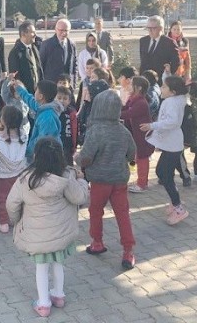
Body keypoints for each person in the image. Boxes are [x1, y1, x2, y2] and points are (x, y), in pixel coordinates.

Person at [6, 137, 89, 317]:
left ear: (36, 156)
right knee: (58, 263)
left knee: (41, 268)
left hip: (37, 237)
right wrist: (82, 180)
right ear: (60, 156)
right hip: (61, 235)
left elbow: (11, 204)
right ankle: (58, 296)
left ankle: (43, 304)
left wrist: (17, 221)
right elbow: (80, 198)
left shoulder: (25, 179)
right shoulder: (66, 176)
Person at [75, 90, 137, 270]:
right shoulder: (123, 131)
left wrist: (78, 159)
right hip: (119, 180)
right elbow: (132, 154)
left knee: (96, 211)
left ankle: (97, 242)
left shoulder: (95, 131)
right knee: (123, 213)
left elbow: (86, 157)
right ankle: (128, 251)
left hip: (99, 181)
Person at [139, 76, 190, 225]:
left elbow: (172, 122)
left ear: (173, 91)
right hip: (171, 144)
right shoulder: (177, 99)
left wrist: (152, 126)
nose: (161, 88)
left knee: (165, 175)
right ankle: (175, 202)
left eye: (164, 87)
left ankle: (178, 208)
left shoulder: (171, 102)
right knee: (162, 173)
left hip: (172, 144)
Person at [0, 105, 27, 233]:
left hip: (4, 176)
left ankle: (3, 222)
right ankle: (17, 219)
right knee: (18, 197)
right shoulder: (23, 136)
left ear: (3, 121)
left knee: (3, 198)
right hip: (19, 173)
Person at [13, 79, 62, 163]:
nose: (34, 93)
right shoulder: (43, 106)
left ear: (40, 96)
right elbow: (30, 100)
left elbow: (44, 141)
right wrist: (19, 88)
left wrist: (30, 152)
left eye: (36, 91)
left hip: (45, 158)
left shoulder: (48, 117)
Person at [121, 76, 155, 193]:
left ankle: (142, 184)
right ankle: (139, 180)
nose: (128, 85)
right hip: (136, 135)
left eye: (131, 84)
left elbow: (128, 113)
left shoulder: (141, 102)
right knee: (138, 157)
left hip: (142, 136)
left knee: (142, 158)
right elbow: (124, 108)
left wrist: (113, 113)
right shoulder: (133, 99)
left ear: (138, 87)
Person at [139, 15, 179, 83]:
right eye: (148, 28)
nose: (150, 31)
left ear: (160, 28)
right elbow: (143, 60)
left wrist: (169, 71)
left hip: (160, 81)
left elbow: (176, 62)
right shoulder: (143, 41)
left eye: (153, 28)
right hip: (144, 80)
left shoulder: (169, 43)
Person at [40, 19, 77, 87]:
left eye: (66, 30)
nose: (63, 33)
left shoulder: (72, 45)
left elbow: (74, 66)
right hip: (51, 85)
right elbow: (41, 66)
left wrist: (73, 84)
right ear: (56, 29)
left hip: (67, 86)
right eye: (61, 30)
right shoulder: (46, 45)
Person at [8, 21, 42, 94]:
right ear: (23, 34)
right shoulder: (15, 53)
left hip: (38, 93)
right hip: (26, 95)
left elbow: (39, 69)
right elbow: (16, 78)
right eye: (32, 32)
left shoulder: (34, 48)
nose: (35, 35)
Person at [56, 86, 78, 165]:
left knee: (68, 168)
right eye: (59, 98)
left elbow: (74, 130)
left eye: (65, 99)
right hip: (55, 145)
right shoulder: (52, 112)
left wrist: (74, 146)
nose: (62, 101)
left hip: (67, 146)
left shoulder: (72, 113)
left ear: (69, 101)